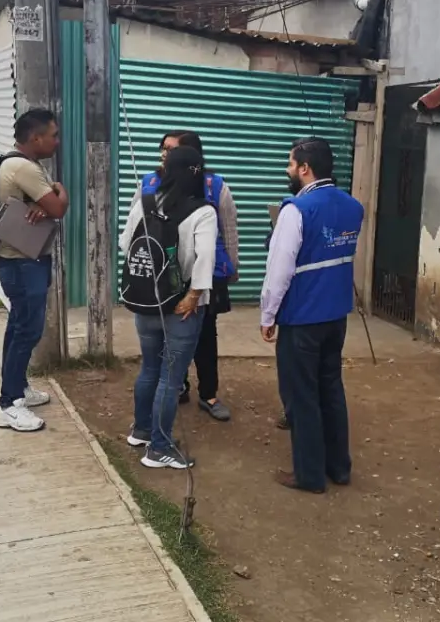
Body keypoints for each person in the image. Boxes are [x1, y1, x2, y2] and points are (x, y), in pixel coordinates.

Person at [260, 137, 363, 494]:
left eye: (290, 164)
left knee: (301, 394)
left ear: (305, 168)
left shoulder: (296, 210)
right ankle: (339, 467)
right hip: (335, 315)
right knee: (331, 387)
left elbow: (279, 270)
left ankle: (308, 475)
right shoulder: (353, 206)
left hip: (302, 317)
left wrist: (267, 314)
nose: (288, 170)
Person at [122, 145, 218, 469]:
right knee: (171, 378)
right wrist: (194, 295)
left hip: (146, 303)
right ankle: (159, 448)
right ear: (195, 172)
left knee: (149, 368)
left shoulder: (145, 203)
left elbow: (127, 246)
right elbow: (205, 256)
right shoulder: (203, 212)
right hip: (182, 309)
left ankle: (142, 430)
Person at [136, 130, 239, 422]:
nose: (165, 155)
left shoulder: (215, 187)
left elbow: (229, 231)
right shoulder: (148, 185)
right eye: (163, 149)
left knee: (205, 337)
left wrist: (229, 270)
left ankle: (208, 393)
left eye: (173, 150)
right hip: (159, 279)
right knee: (162, 342)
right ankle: (177, 388)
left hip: (204, 280)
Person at [0, 108, 70, 433]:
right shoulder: (24, 167)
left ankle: (18, 388)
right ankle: (9, 405)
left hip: (18, 258)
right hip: (25, 261)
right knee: (28, 330)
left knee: (18, 326)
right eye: (53, 135)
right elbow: (59, 207)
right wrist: (59, 188)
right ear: (35, 138)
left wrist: (44, 198)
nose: (56, 141)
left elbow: (40, 204)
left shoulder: (13, 163)